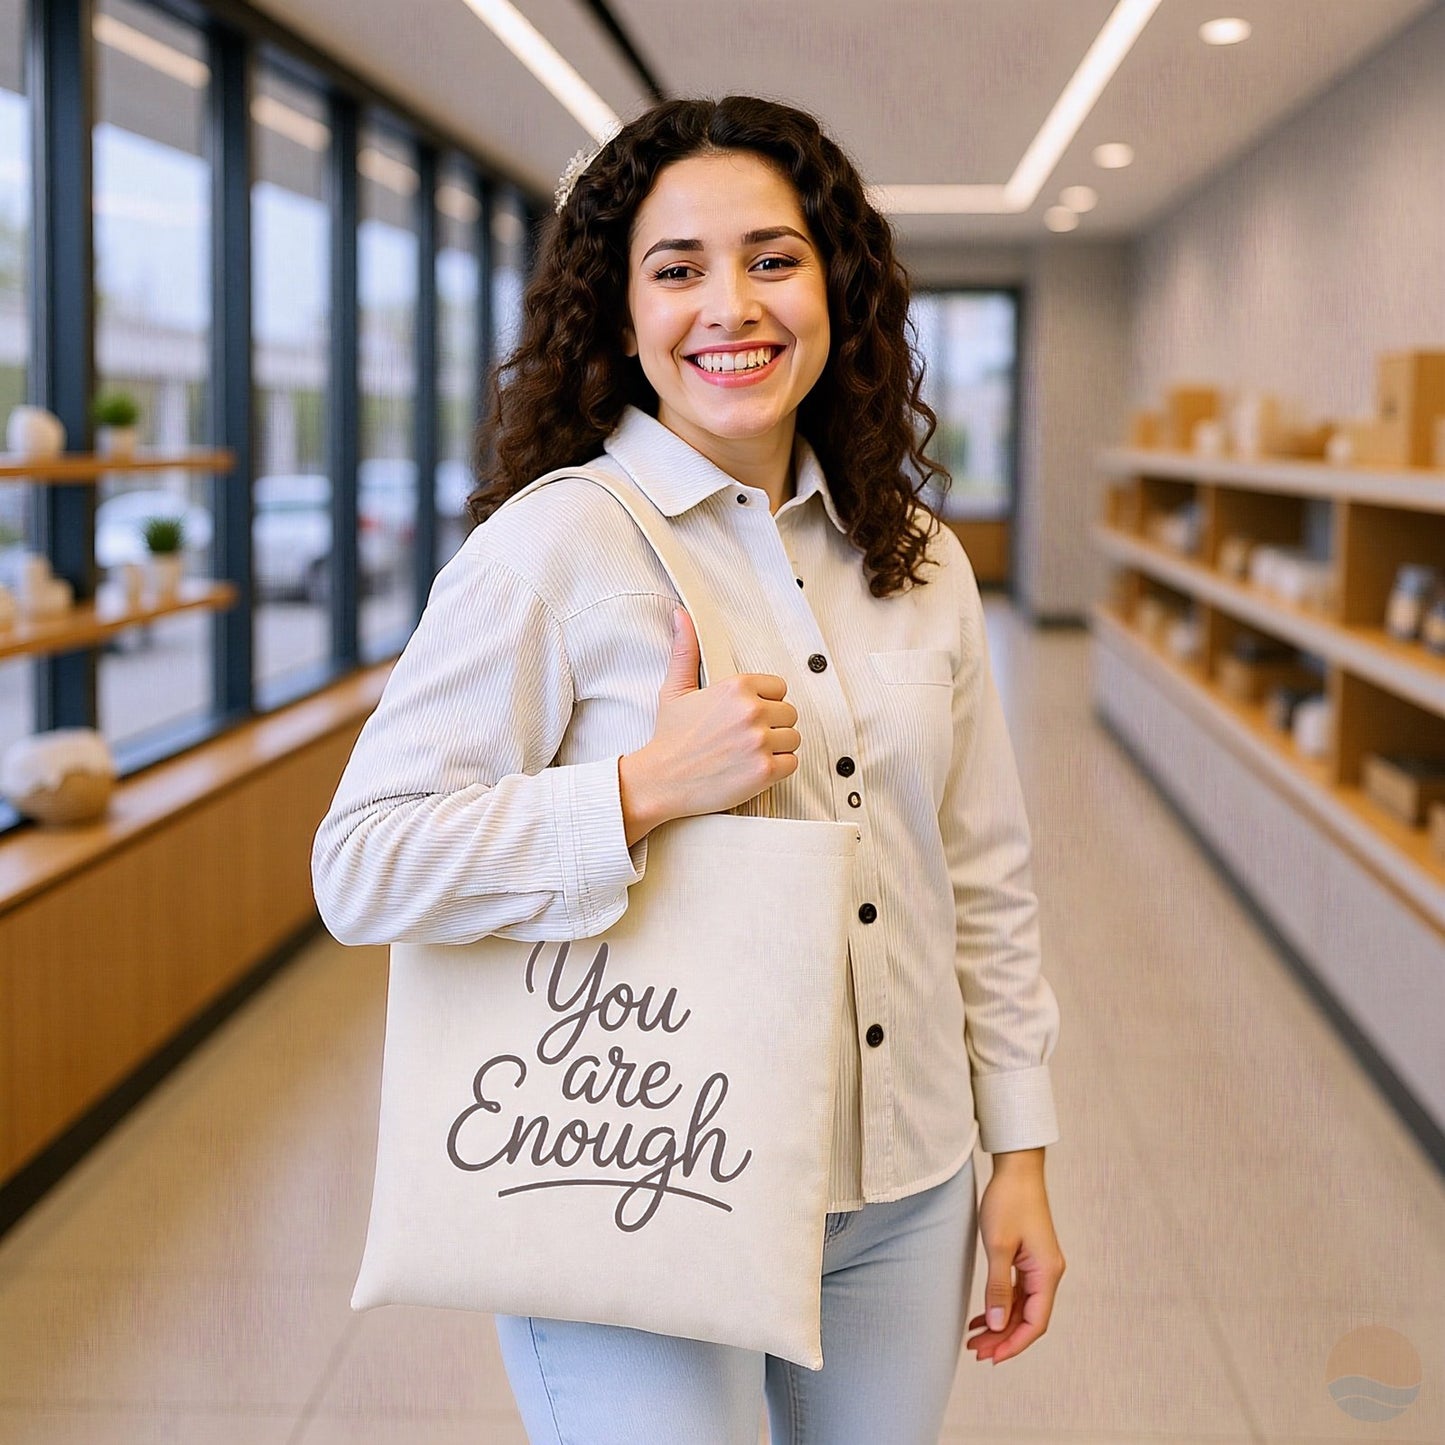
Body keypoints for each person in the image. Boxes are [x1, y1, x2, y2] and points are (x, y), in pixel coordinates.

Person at [312, 94, 1065, 1445]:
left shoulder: (920, 559)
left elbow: (980, 878)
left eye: (773, 258)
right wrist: (640, 789)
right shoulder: (552, 551)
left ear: (835, 285)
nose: (733, 304)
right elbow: (360, 863)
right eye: (678, 269)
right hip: (637, 1178)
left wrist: (1017, 1150)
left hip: (902, 1190)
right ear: (620, 314)